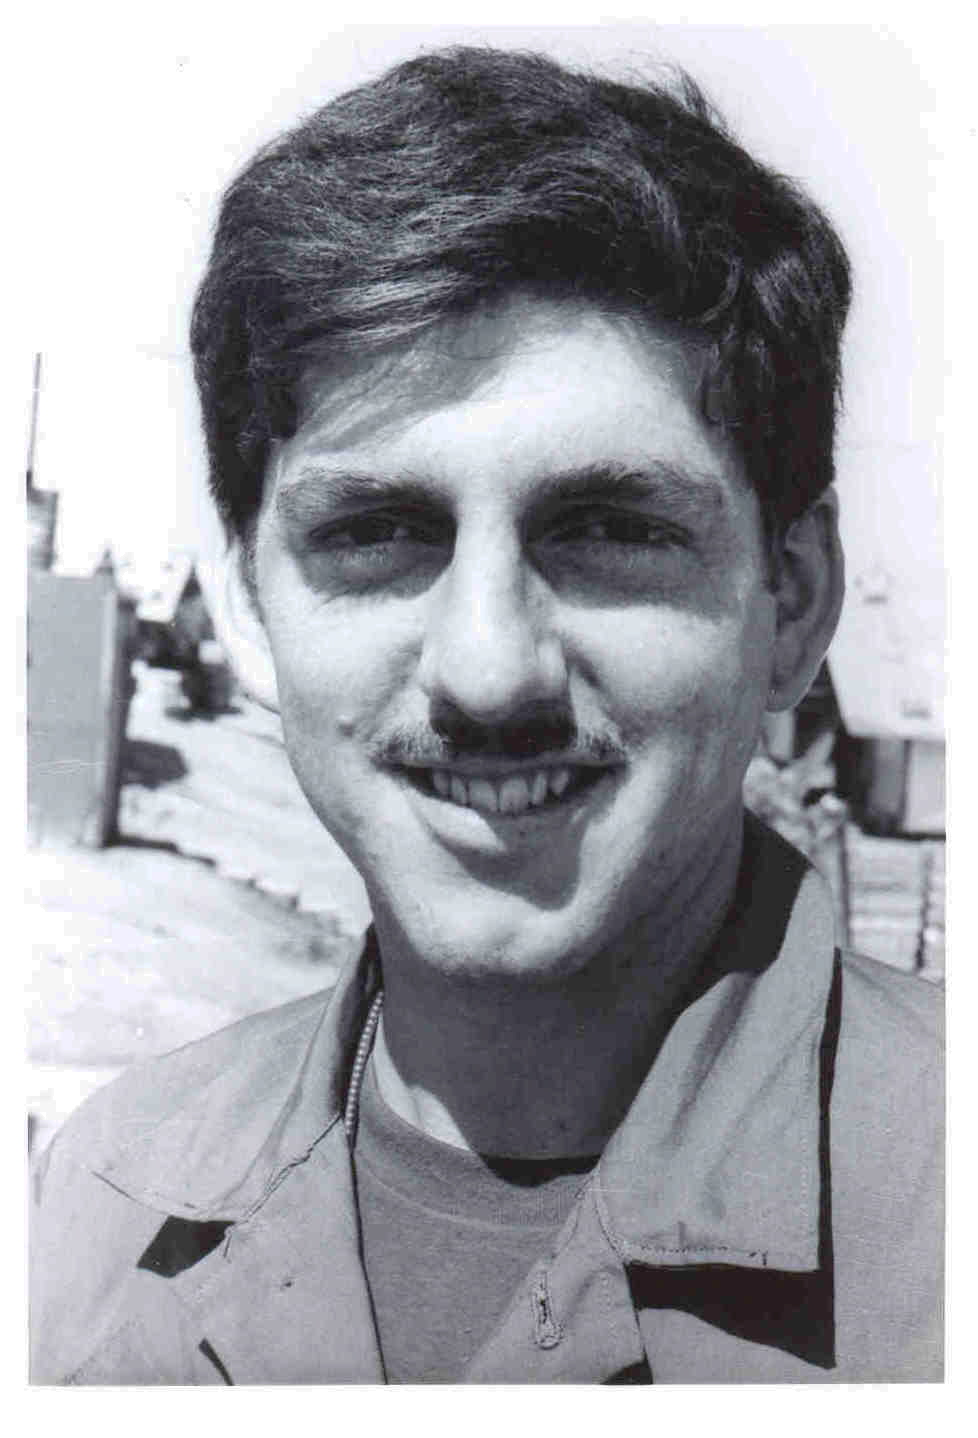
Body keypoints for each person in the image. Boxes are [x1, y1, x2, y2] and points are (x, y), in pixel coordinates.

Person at [30, 45, 943, 1384]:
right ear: (249, 602)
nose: (487, 670)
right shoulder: (108, 1209)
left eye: (609, 528)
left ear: (792, 602)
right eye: (378, 532)